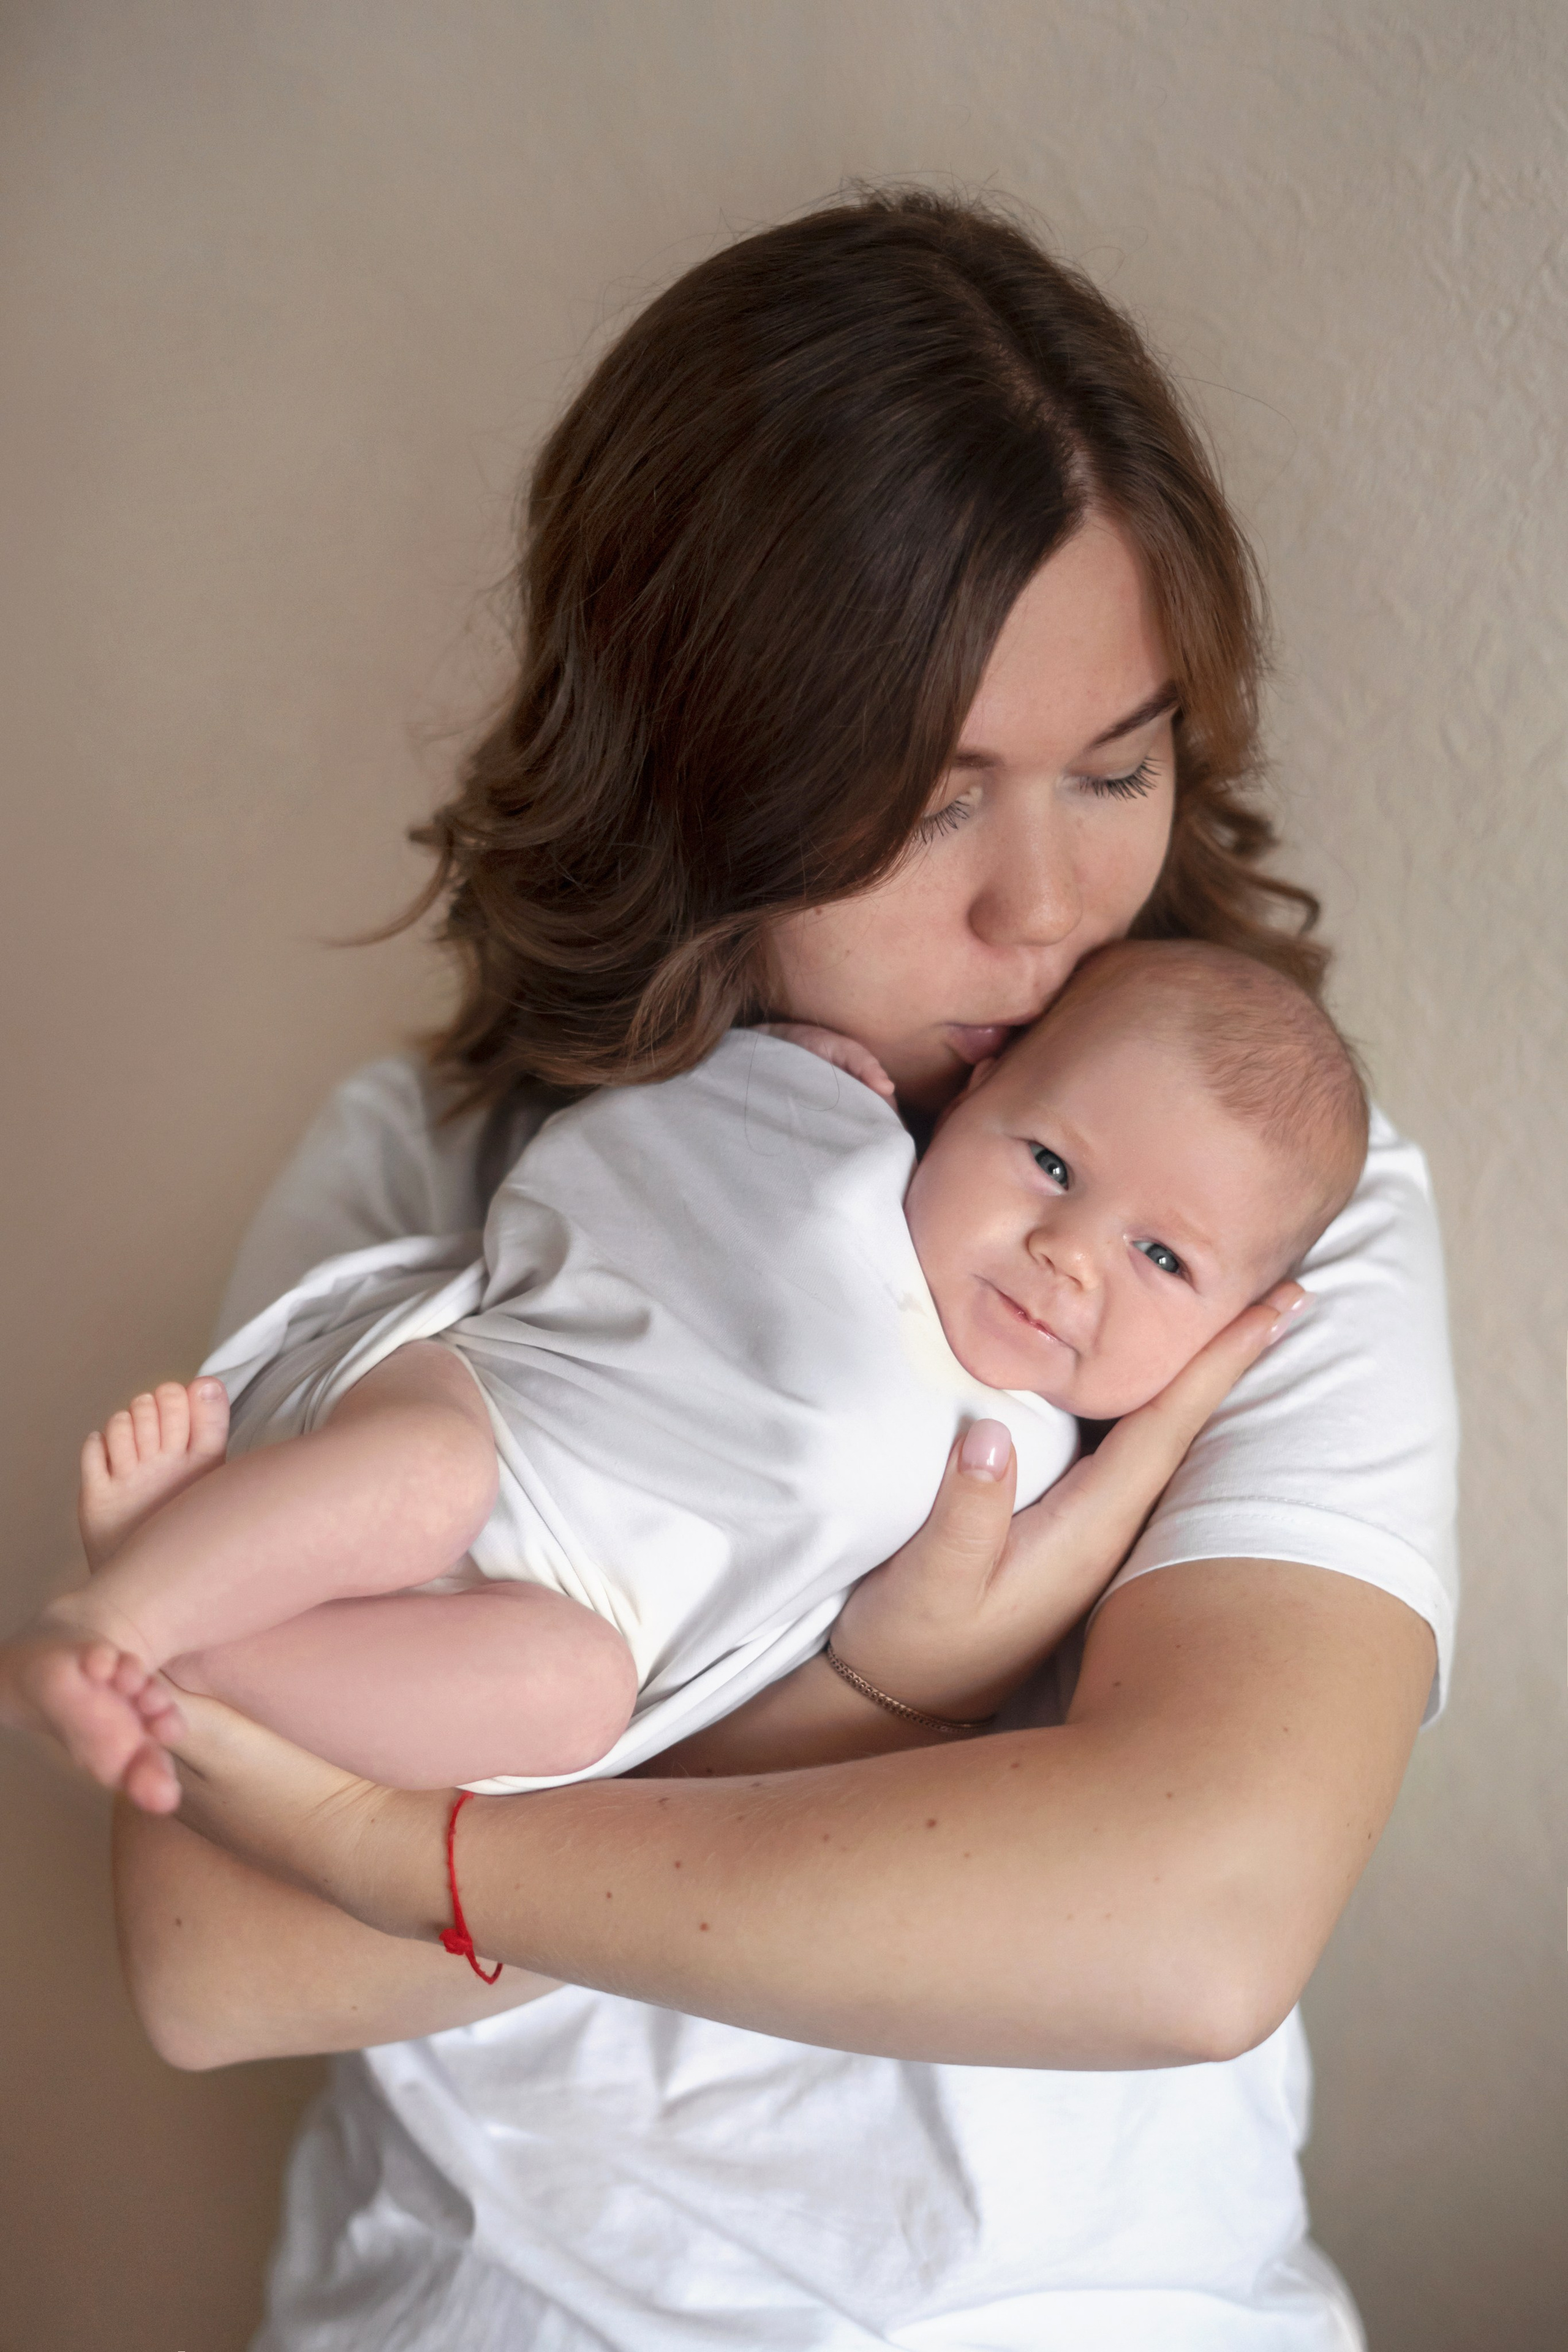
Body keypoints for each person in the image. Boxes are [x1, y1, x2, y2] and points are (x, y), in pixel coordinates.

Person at [102, 189, 1455, 2348]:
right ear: (698, 767)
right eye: (931, 806)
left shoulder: (1257, 1209)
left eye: (1118, 770)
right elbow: (212, 1961)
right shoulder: (437, 1177)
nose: (1047, 910)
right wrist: (882, 1698)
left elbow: (1185, 1924)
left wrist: (410, 1859)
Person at [2, 940, 1355, 1801]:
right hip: (505, 1412)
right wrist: (761, 1072)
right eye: (1048, 1165)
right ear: (974, 1091)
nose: (1067, 1258)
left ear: (1237, 1325)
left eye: (1162, 1262)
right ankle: (104, 1615)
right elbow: (633, 1168)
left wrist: (1169, 1423)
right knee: (425, 1483)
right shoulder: (841, 1150)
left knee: (567, 1700)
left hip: (594, 1611)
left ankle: (191, 1662)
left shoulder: (1050, 1467)